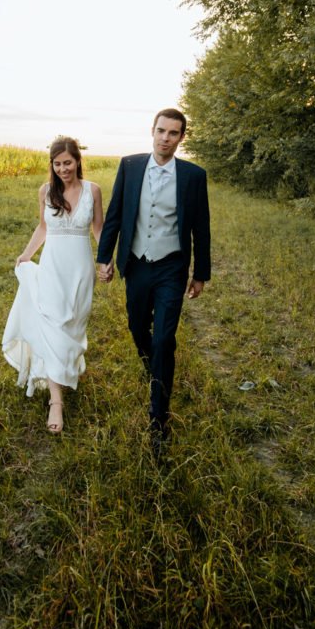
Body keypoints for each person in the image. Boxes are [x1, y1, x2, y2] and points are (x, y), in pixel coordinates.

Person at [96, 108, 210, 454]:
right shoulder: (130, 166)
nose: (165, 138)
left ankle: (158, 418)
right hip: (137, 263)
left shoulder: (193, 175)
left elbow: (201, 227)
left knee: (164, 339)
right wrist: (104, 257)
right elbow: (115, 214)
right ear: (152, 131)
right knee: (136, 328)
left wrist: (201, 273)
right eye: (161, 130)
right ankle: (153, 363)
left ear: (181, 138)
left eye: (173, 133)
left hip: (171, 267)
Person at [2, 137, 104, 433]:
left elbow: (99, 228)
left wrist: (106, 259)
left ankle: (67, 368)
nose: (62, 169)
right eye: (57, 164)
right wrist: (26, 254)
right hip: (53, 267)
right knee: (53, 323)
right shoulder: (46, 191)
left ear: (77, 161)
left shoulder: (93, 191)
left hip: (81, 268)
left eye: (67, 163)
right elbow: (44, 227)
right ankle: (55, 401)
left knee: (74, 323)